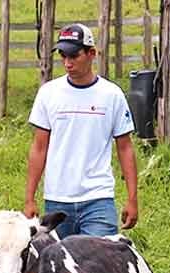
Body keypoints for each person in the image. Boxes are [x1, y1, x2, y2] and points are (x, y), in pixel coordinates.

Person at [24, 23, 139, 239]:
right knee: (57, 267)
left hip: (98, 199)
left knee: (101, 265)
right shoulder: (48, 94)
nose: (67, 63)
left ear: (91, 54)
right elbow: (39, 148)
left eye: (74, 56)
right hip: (57, 199)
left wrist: (132, 198)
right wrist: (29, 198)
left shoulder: (112, 95)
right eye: (62, 56)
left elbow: (125, 148)